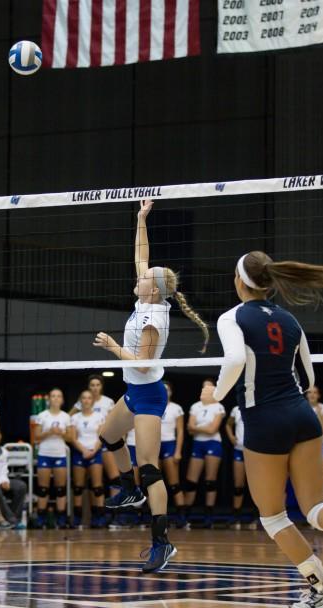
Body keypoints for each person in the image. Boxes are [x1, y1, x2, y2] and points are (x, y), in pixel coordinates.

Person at [210, 251, 323, 608]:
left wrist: (218, 395)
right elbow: (309, 378)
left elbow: (236, 360)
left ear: (240, 281)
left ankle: (322, 591)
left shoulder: (232, 316)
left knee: (273, 516)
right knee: (316, 504)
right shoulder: (289, 319)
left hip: (263, 418)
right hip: (302, 414)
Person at [94, 199, 209, 573]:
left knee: (150, 469)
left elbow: (142, 361)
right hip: (133, 391)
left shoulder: (153, 317)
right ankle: (128, 488)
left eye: (146, 277)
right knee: (108, 435)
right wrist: (142, 220)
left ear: (155, 291)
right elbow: (142, 258)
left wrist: (114, 347)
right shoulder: (148, 297)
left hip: (148, 395)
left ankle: (162, 543)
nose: (140, 275)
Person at [182, 379, 225, 529]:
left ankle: (209, 517)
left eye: (208, 387)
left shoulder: (218, 407)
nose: (205, 389)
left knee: (210, 481)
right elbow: (189, 428)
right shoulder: (196, 406)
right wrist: (203, 427)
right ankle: (186, 516)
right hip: (198, 444)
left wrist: (197, 428)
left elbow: (212, 430)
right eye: (203, 387)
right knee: (191, 482)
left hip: (213, 443)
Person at [70, 375, 118, 502]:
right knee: (88, 481)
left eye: (98, 385)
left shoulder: (108, 402)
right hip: (87, 443)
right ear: (88, 387)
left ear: (101, 387)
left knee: (114, 477)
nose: (95, 388)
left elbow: (114, 422)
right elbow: (68, 417)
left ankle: (115, 510)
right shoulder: (83, 401)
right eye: (92, 385)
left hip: (104, 442)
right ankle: (94, 514)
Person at [32, 389, 70, 529]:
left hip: (59, 453)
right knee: (43, 488)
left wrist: (61, 433)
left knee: (60, 488)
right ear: (49, 399)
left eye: (58, 396)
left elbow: (71, 437)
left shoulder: (65, 417)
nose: (55, 398)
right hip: (45, 453)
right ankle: (41, 518)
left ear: (62, 400)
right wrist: (49, 432)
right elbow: (36, 436)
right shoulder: (42, 415)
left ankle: (61, 518)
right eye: (53, 396)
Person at [68, 390, 106, 528]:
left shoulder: (99, 416)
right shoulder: (75, 418)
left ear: (93, 401)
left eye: (89, 398)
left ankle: (99, 519)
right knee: (78, 487)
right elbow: (72, 438)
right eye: (84, 398)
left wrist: (93, 451)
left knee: (97, 487)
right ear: (80, 401)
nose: (86, 400)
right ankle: (77, 519)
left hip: (95, 452)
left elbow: (101, 437)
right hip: (80, 452)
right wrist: (84, 451)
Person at [158, 381, 186, 527]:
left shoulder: (176, 408)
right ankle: (157, 518)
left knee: (174, 483)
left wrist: (178, 451)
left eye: (167, 389)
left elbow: (180, 431)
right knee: (155, 484)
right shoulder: (153, 405)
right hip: (155, 445)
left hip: (169, 444)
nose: (165, 391)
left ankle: (182, 517)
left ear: (171, 392)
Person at [224, 405, 250, 528]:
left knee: (257, 486)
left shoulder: (260, 404)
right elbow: (228, 424)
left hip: (255, 451)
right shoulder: (236, 409)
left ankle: (260, 516)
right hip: (239, 449)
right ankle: (236, 517)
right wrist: (231, 437)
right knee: (238, 486)